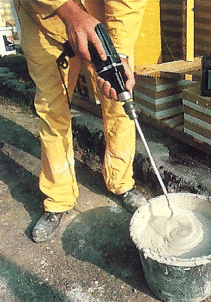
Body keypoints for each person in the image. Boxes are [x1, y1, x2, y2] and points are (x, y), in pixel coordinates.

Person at [12, 0, 148, 243]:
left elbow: (129, 3)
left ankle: (121, 182)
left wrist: (120, 54)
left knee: (119, 97)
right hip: (44, 20)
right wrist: (67, 11)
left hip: (103, 22)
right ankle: (58, 198)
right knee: (52, 112)